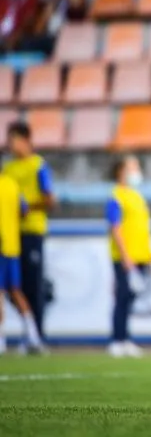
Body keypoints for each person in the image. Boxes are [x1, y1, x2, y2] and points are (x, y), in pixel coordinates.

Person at [2, 121, 54, 342]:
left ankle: (36, 336)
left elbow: (49, 199)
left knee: (32, 285)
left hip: (32, 230)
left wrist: (25, 209)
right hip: (9, 236)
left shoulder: (37, 165)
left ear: (25, 140)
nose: (9, 145)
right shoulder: (8, 170)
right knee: (14, 288)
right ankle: (26, 334)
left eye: (12, 140)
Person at [105, 155, 151, 358]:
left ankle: (126, 338)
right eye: (132, 167)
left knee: (130, 299)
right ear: (120, 172)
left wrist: (148, 256)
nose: (136, 172)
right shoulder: (116, 196)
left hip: (140, 255)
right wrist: (125, 255)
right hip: (126, 257)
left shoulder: (137, 196)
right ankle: (117, 339)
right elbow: (115, 228)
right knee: (122, 297)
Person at [0, 171, 45, 355]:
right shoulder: (12, 184)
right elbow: (24, 210)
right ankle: (33, 336)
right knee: (16, 291)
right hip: (13, 245)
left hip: (1, 244)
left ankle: (1, 341)